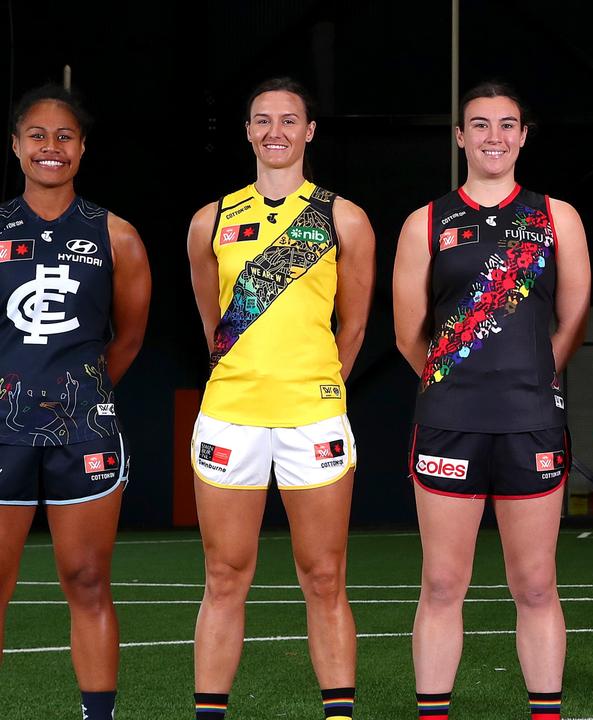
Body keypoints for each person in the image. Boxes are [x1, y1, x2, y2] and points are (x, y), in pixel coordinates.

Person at [392, 81, 590, 720]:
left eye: (507, 125)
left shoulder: (555, 216)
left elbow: (573, 319)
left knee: (535, 587)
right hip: (449, 422)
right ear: (460, 136)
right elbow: (408, 333)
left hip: (531, 421)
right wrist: (454, 380)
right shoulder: (426, 221)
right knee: (443, 584)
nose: (494, 137)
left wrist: (531, 379)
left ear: (523, 136)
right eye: (480, 125)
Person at [186, 77, 374, 720]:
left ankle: (338, 714)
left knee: (324, 578)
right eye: (262, 120)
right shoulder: (210, 219)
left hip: (312, 416)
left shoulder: (343, 218)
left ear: (309, 131)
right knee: (224, 577)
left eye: (289, 120)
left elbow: (353, 325)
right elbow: (214, 317)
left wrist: (320, 383)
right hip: (231, 415)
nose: (276, 132)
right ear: (247, 131)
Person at [0, 84, 150, 720]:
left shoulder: (116, 236)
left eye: (64, 136)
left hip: (82, 429)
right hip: (2, 430)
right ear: (16, 146)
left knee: (87, 581)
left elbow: (130, 335)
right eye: (37, 135)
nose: (50, 147)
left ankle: (98, 715)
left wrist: (77, 390)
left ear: (83, 149)